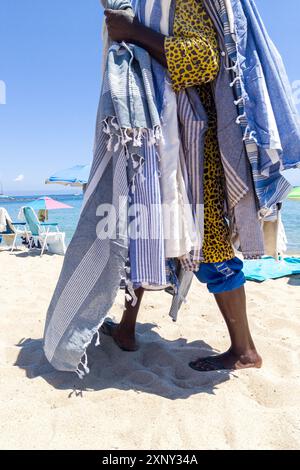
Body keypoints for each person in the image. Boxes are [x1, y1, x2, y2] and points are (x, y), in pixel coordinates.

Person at [100, 0, 262, 372]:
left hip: (193, 145)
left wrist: (134, 32)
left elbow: (203, 59)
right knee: (144, 234)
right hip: (155, 137)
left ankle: (244, 350)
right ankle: (126, 330)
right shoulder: (143, 6)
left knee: (211, 246)